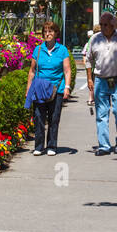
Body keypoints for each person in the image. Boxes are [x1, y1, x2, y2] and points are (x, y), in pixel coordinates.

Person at [85, 12, 117, 155]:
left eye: (106, 24)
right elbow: (89, 60)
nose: (102, 27)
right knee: (101, 114)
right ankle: (104, 146)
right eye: (101, 24)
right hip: (101, 80)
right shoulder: (95, 39)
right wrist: (89, 79)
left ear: (112, 24)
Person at [25, 20, 73, 156]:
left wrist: (67, 87)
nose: (47, 34)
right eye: (45, 31)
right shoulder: (38, 49)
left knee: (54, 117)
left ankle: (52, 145)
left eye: (50, 31)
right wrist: (28, 89)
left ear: (56, 33)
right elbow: (32, 71)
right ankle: (39, 146)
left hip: (57, 88)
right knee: (39, 117)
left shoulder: (62, 50)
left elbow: (67, 71)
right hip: (40, 88)